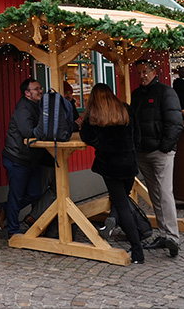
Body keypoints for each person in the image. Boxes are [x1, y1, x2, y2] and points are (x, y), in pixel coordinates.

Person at [80, 83, 144, 264]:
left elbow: (86, 136)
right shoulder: (126, 110)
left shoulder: (94, 115)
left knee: (122, 205)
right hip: (129, 164)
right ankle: (113, 220)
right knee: (121, 200)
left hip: (110, 166)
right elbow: (137, 137)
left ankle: (137, 251)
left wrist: (101, 145)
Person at [130, 59, 182, 257]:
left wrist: (165, 147)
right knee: (155, 194)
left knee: (165, 193)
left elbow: (175, 122)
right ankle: (164, 234)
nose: (142, 76)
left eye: (145, 72)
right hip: (143, 152)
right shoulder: (137, 95)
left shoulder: (166, 92)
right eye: (139, 73)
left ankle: (172, 237)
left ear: (154, 72)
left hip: (161, 153)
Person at [0, 79, 49, 237]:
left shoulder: (35, 106)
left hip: (31, 159)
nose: (40, 91)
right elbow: (28, 132)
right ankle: (13, 231)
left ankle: (5, 208)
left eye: (40, 88)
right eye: (36, 89)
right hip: (17, 158)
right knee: (17, 194)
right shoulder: (23, 109)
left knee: (35, 193)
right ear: (27, 93)